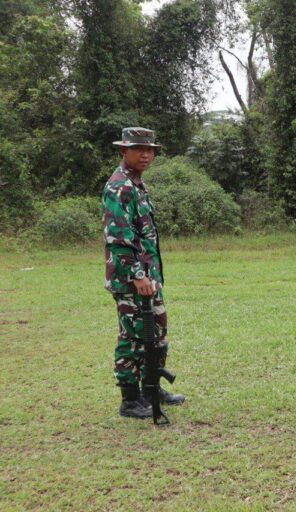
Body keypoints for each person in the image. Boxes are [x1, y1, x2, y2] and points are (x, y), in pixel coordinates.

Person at [102, 127, 184, 419]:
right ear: (124, 151)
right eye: (139, 149)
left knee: (157, 332)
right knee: (133, 336)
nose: (146, 154)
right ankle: (130, 399)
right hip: (130, 278)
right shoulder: (119, 187)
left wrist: (150, 276)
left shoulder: (136, 183)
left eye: (150, 149)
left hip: (148, 277)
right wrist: (138, 275)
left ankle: (151, 387)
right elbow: (120, 238)